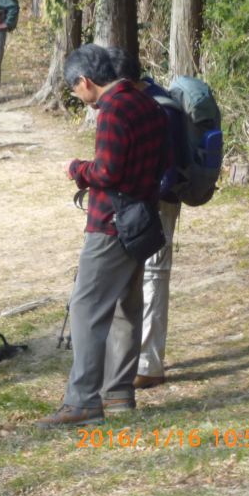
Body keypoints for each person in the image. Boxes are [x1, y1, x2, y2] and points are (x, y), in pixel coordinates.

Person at [36, 44, 168, 428]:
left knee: (86, 309)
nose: (80, 98)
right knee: (127, 307)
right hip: (142, 219)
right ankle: (119, 394)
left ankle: (82, 401)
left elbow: (107, 172)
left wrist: (78, 169)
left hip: (111, 222)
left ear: (86, 81)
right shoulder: (149, 104)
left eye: (76, 91)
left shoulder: (113, 110)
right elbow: (161, 162)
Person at [106, 47, 186, 391]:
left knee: (153, 276)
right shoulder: (150, 100)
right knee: (142, 277)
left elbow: (170, 164)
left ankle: (149, 364)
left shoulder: (158, 107)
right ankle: (137, 358)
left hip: (157, 202)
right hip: (140, 202)